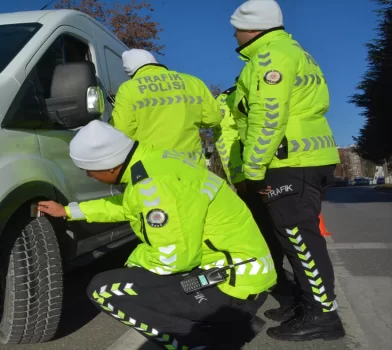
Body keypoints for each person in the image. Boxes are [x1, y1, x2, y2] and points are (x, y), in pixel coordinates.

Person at [38, 120, 277, 349]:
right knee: (137, 277)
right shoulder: (155, 161)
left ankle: (206, 342)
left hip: (232, 285)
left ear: (110, 164)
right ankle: (229, 329)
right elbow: (126, 205)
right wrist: (69, 211)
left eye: (89, 170)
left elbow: (172, 258)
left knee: (104, 290)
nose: (89, 176)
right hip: (246, 271)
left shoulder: (154, 186)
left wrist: (134, 263)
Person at [228, 0, 345, 341]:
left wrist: (253, 170)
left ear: (252, 28)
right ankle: (305, 301)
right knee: (294, 236)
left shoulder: (269, 57)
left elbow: (267, 116)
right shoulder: (295, 50)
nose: (233, 35)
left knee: (299, 239)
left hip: (289, 160)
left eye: (236, 28)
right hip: (309, 157)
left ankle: (323, 316)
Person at [214, 83, 294, 297]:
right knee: (268, 231)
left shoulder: (273, 87)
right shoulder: (228, 98)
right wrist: (239, 177)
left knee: (283, 233)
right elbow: (227, 140)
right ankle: (279, 283)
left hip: (280, 170)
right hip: (256, 176)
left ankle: (285, 284)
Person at [109, 48, 221, 168]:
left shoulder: (128, 89)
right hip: (192, 165)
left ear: (130, 71)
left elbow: (122, 131)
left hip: (153, 167)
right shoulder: (193, 82)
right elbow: (213, 118)